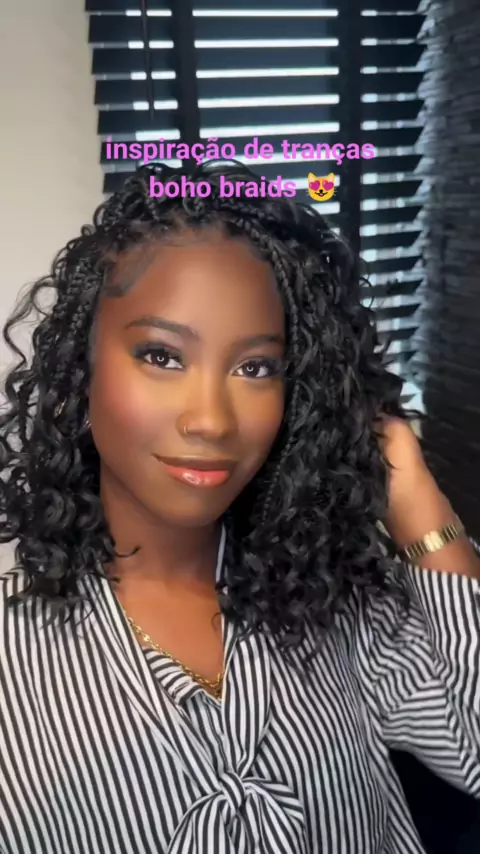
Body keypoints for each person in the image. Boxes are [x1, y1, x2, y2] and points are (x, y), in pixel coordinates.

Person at [0, 160, 479, 854]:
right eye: (162, 356)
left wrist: (414, 495)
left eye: (256, 368)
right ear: (82, 370)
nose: (212, 420)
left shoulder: (332, 600)